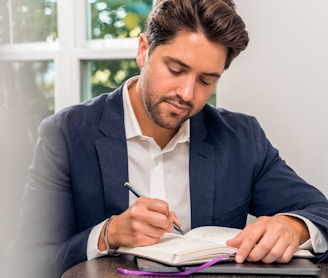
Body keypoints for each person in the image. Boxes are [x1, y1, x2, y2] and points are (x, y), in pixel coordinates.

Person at [5, 0, 328, 277]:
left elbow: (320, 212)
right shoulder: (66, 134)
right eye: (176, 69)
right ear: (144, 50)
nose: (187, 94)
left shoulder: (242, 139)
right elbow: (26, 261)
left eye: (206, 80)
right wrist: (107, 235)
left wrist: (294, 227)